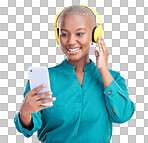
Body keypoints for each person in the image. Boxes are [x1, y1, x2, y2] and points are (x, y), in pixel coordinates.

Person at [14, 5, 135, 143]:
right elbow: (29, 128)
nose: (71, 41)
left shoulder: (113, 79)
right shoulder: (45, 79)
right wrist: (25, 112)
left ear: (95, 35)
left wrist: (103, 69)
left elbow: (123, 115)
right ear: (58, 36)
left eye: (79, 34)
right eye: (64, 34)